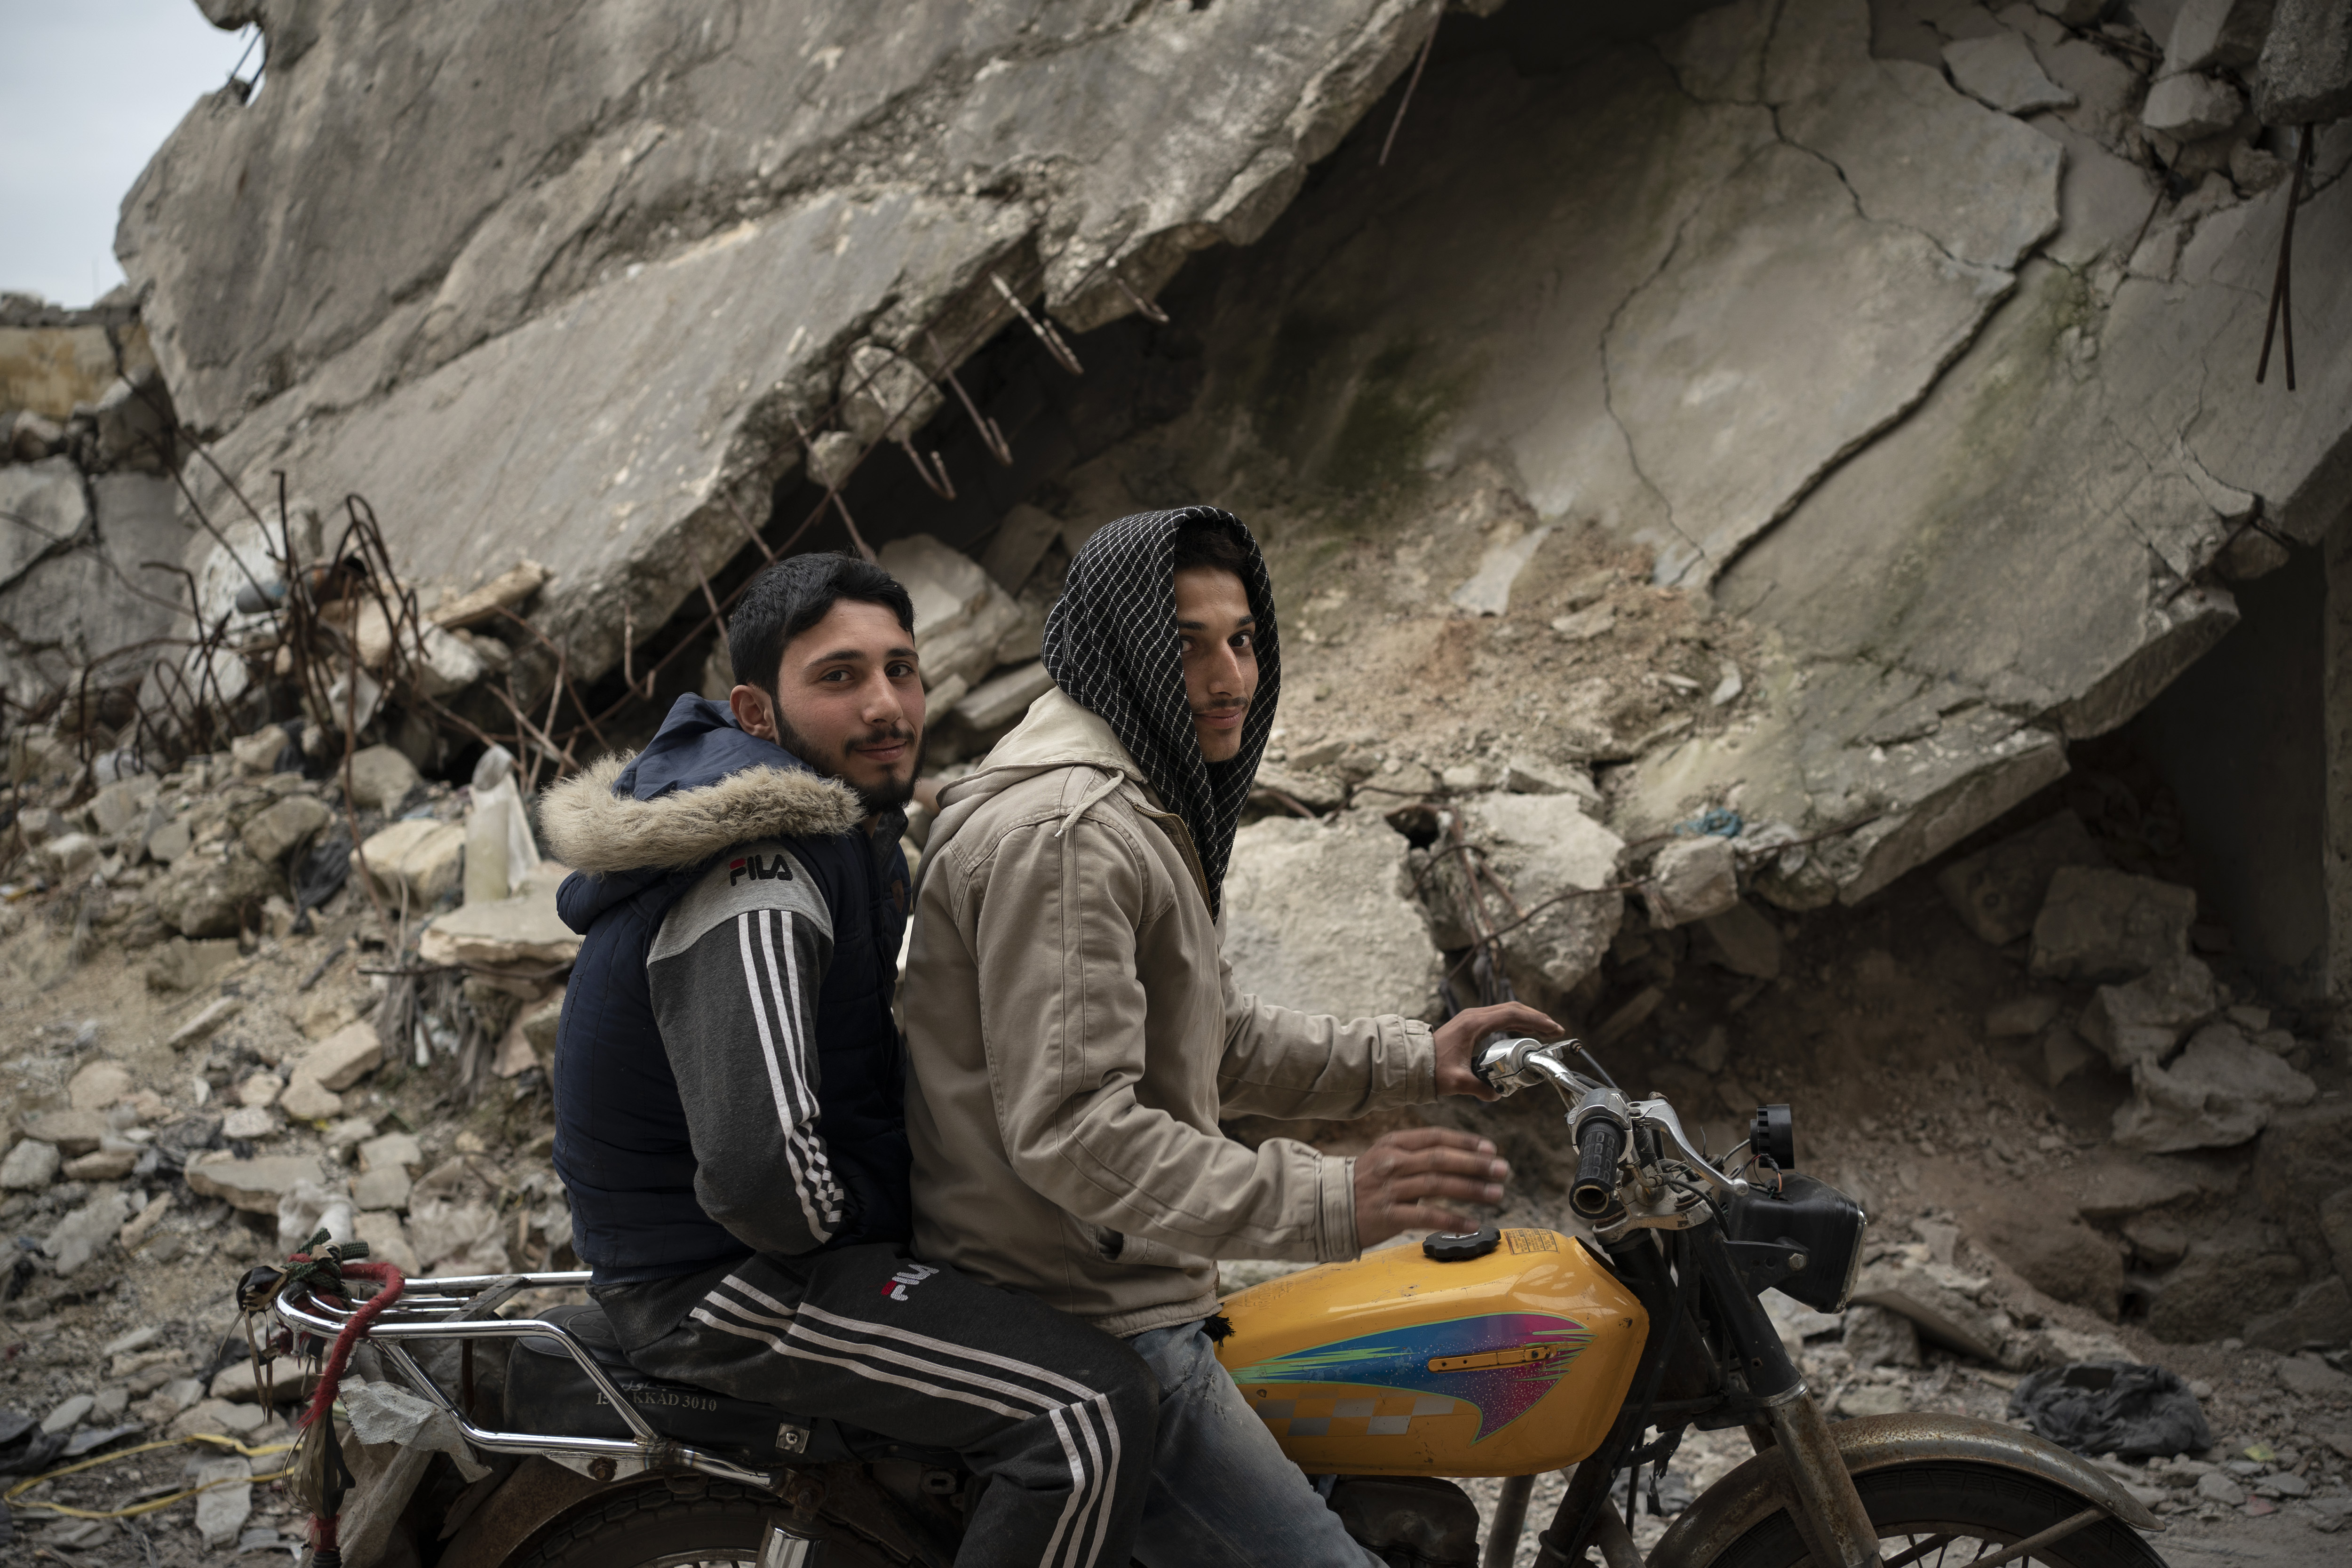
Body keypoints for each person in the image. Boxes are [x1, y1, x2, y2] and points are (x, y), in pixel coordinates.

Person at [900, 506, 1558, 1565]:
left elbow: (1209, 1036)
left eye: (1242, 639)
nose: (1229, 676)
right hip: (1090, 1308)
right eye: (1187, 642)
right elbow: (1075, 1127)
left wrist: (1416, 1053)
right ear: (1121, 647)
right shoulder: (1072, 833)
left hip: (1130, 1277)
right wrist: (1328, 1198)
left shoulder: (1134, 797)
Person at [541, 552, 1158, 1568]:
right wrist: (877, 1232)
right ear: (756, 710)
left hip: (764, 1245)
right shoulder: (759, 868)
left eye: (901, 670)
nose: (887, 705)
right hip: (721, 1278)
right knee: (1085, 1413)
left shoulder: (844, 830)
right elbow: (761, 1174)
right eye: (839, 677)